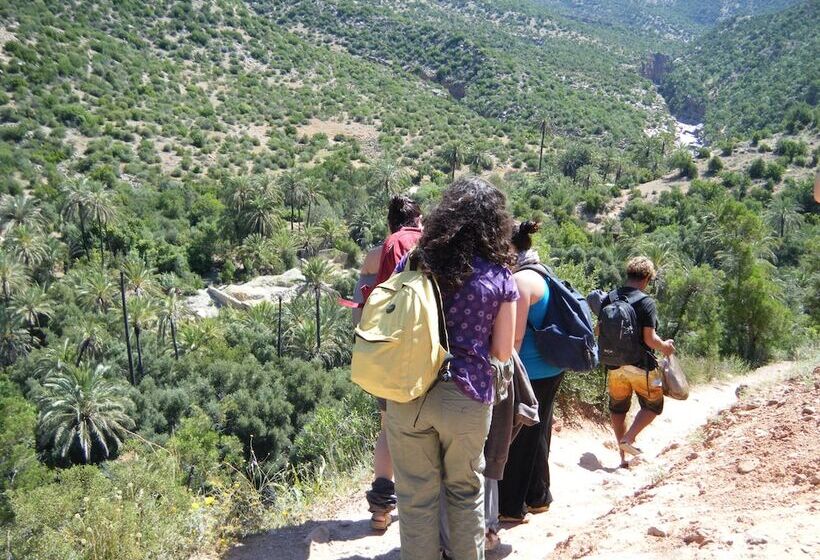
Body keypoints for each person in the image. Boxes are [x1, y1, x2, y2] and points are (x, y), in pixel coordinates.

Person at [385, 177, 518, 560]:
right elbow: (502, 350)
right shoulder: (498, 276)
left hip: (410, 391)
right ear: (495, 224)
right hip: (468, 396)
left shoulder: (418, 262)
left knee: (415, 498)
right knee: (464, 493)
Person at [498, 221, 564, 523]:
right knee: (538, 432)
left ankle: (512, 506)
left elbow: (515, 337)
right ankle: (538, 496)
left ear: (512, 248)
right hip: (549, 367)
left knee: (520, 438)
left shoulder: (522, 280)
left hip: (531, 370)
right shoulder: (540, 270)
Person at [365, 195, 423, 531]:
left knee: (388, 427)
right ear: (419, 219)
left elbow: (373, 299)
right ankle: (422, 510)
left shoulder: (385, 248)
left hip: (391, 349)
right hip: (429, 350)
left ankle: (381, 511)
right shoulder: (430, 242)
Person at [599, 256, 675, 467]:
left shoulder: (610, 298)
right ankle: (629, 438)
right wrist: (666, 347)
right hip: (641, 366)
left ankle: (623, 457)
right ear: (648, 278)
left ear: (628, 274)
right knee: (653, 406)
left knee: (618, 408)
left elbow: (599, 330)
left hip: (614, 365)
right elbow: (650, 339)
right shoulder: (646, 302)